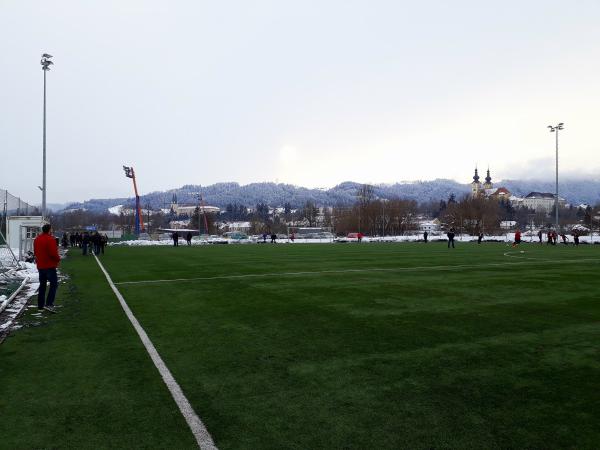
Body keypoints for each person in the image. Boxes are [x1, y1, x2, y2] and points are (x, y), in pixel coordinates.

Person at [33, 223, 60, 313]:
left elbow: (36, 252)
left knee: (42, 285)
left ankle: (40, 305)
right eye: (51, 229)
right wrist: (58, 258)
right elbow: (53, 253)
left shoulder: (37, 239)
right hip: (49, 266)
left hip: (41, 266)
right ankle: (49, 304)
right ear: (49, 230)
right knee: (54, 285)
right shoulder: (50, 239)